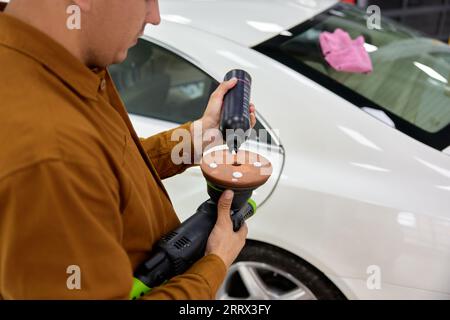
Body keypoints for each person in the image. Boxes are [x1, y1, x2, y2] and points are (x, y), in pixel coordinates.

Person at [0, 0, 256, 299]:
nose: (155, 17)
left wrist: (199, 138)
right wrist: (214, 264)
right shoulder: (48, 156)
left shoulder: (69, 63)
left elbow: (106, 169)